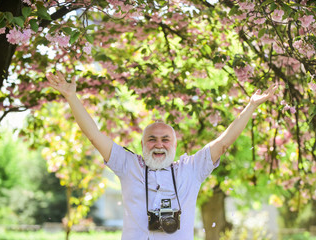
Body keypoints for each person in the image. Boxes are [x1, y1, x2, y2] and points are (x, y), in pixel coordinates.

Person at [46, 71, 277, 240]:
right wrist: (71, 97)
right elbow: (94, 136)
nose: (159, 144)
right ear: (142, 144)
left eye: (165, 139)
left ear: (175, 144)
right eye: (152, 139)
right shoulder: (127, 165)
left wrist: (251, 106)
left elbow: (224, 142)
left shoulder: (191, 168)